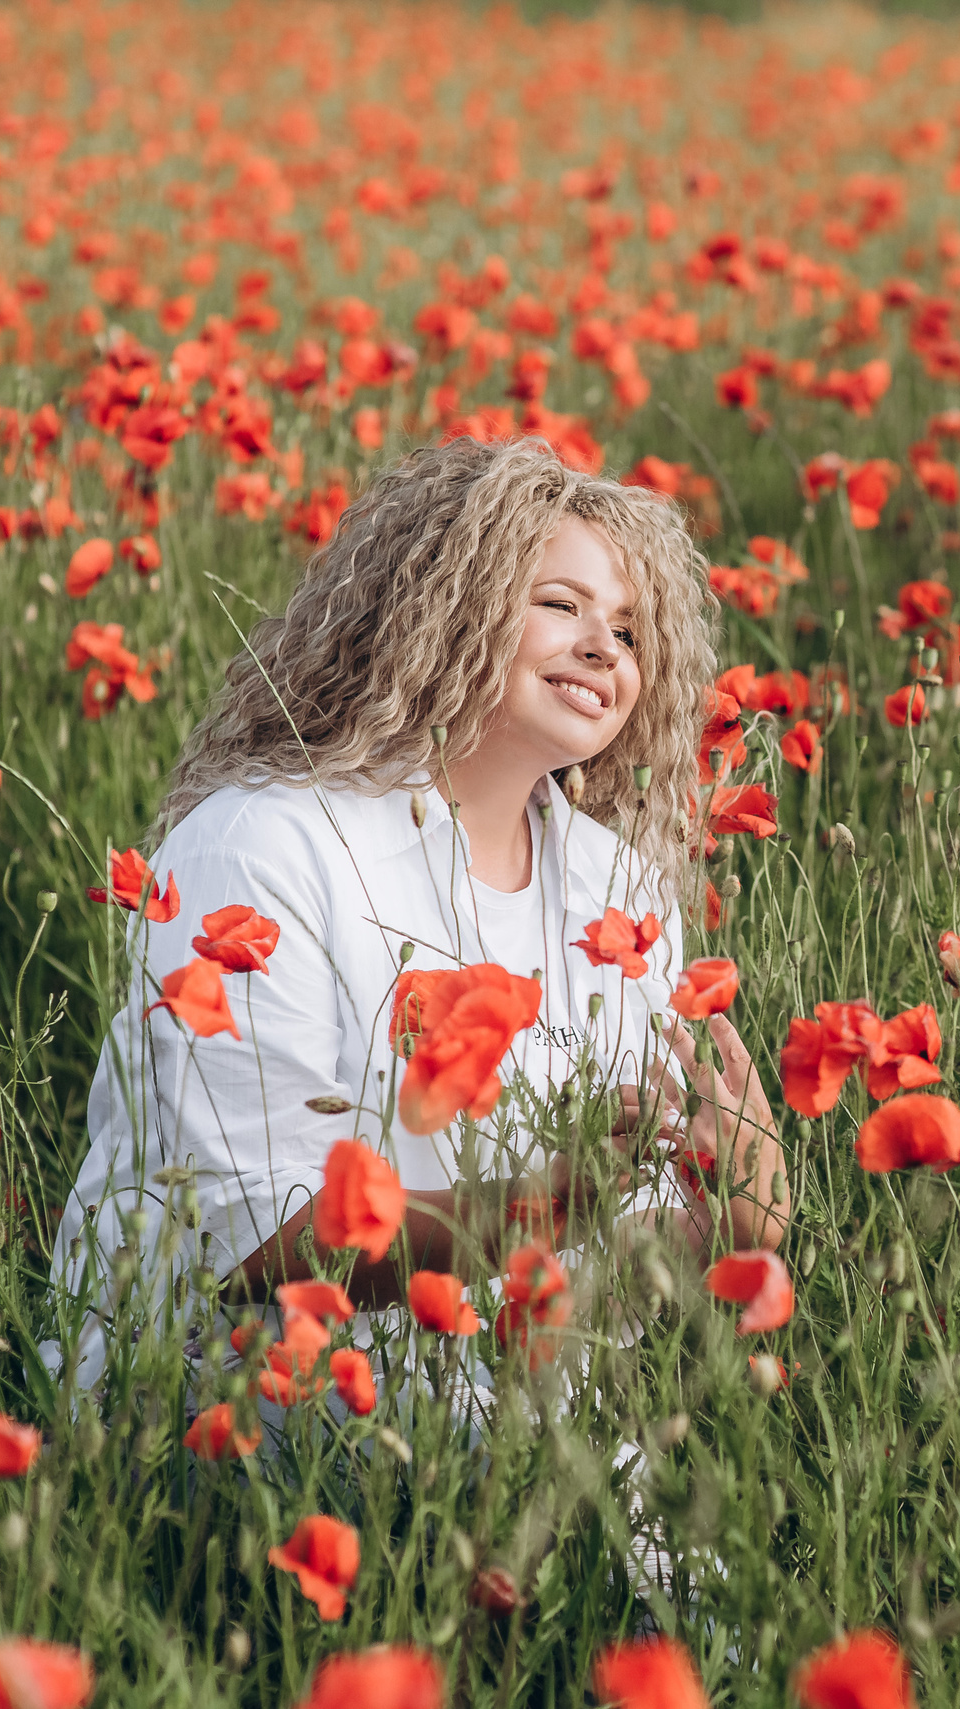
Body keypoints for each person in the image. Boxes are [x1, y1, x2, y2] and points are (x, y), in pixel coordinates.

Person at [49, 435, 788, 1392]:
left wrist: (736, 1213)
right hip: (233, 1399)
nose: (604, 647)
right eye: (560, 604)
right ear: (448, 607)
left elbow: (599, 1288)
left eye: (631, 631)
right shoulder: (267, 844)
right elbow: (236, 1237)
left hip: (509, 1415)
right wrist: (532, 1204)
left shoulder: (622, 894)